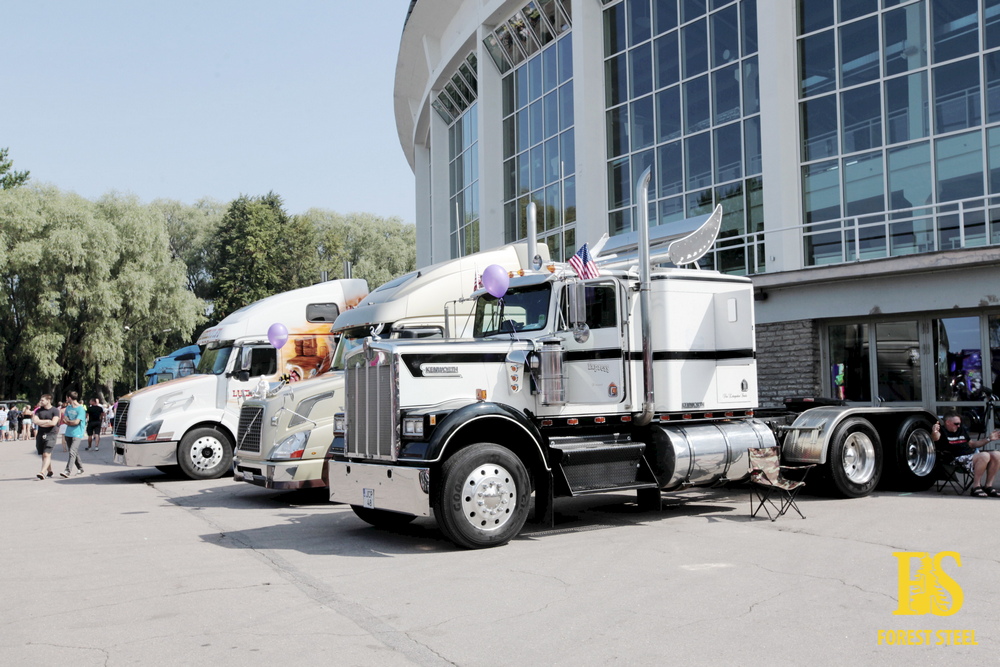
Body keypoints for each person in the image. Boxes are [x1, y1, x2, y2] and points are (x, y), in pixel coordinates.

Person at [931, 410, 1000, 497]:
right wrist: (934, 432)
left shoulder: (961, 430)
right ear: (948, 422)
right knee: (984, 456)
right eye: (956, 424)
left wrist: (989, 439)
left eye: (959, 423)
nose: (958, 426)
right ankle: (976, 486)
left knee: (997, 454)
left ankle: (988, 486)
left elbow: (972, 444)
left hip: (970, 456)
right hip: (955, 459)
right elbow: (935, 438)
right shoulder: (941, 431)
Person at [32, 395, 61, 480]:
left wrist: (41, 422)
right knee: (43, 454)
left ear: (48, 400)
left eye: (42, 400)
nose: (40, 402)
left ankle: (42, 472)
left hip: (51, 434)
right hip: (40, 434)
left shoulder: (55, 410)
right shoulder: (38, 410)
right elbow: (35, 421)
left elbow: (53, 423)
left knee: (46, 454)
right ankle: (49, 471)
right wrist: (47, 421)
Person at [60, 392, 87, 478]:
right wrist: (70, 422)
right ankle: (80, 468)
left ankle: (67, 471)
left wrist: (68, 422)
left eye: (66, 398)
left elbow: (76, 422)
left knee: (72, 451)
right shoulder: (68, 408)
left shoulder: (81, 409)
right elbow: (64, 419)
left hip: (77, 433)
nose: (66, 399)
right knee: (74, 452)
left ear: (69, 398)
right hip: (68, 433)